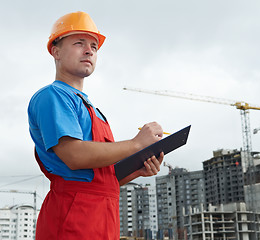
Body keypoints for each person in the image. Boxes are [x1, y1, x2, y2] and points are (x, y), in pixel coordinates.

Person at [27, 11, 164, 239]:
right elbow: (75, 156)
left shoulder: (93, 109)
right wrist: (135, 144)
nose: (89, 50)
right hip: (73, 215)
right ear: (56, 51)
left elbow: (97, 176)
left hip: (103, 216)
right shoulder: (53, 96)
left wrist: (135, 170)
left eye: (94, 46)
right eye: (79, 43)